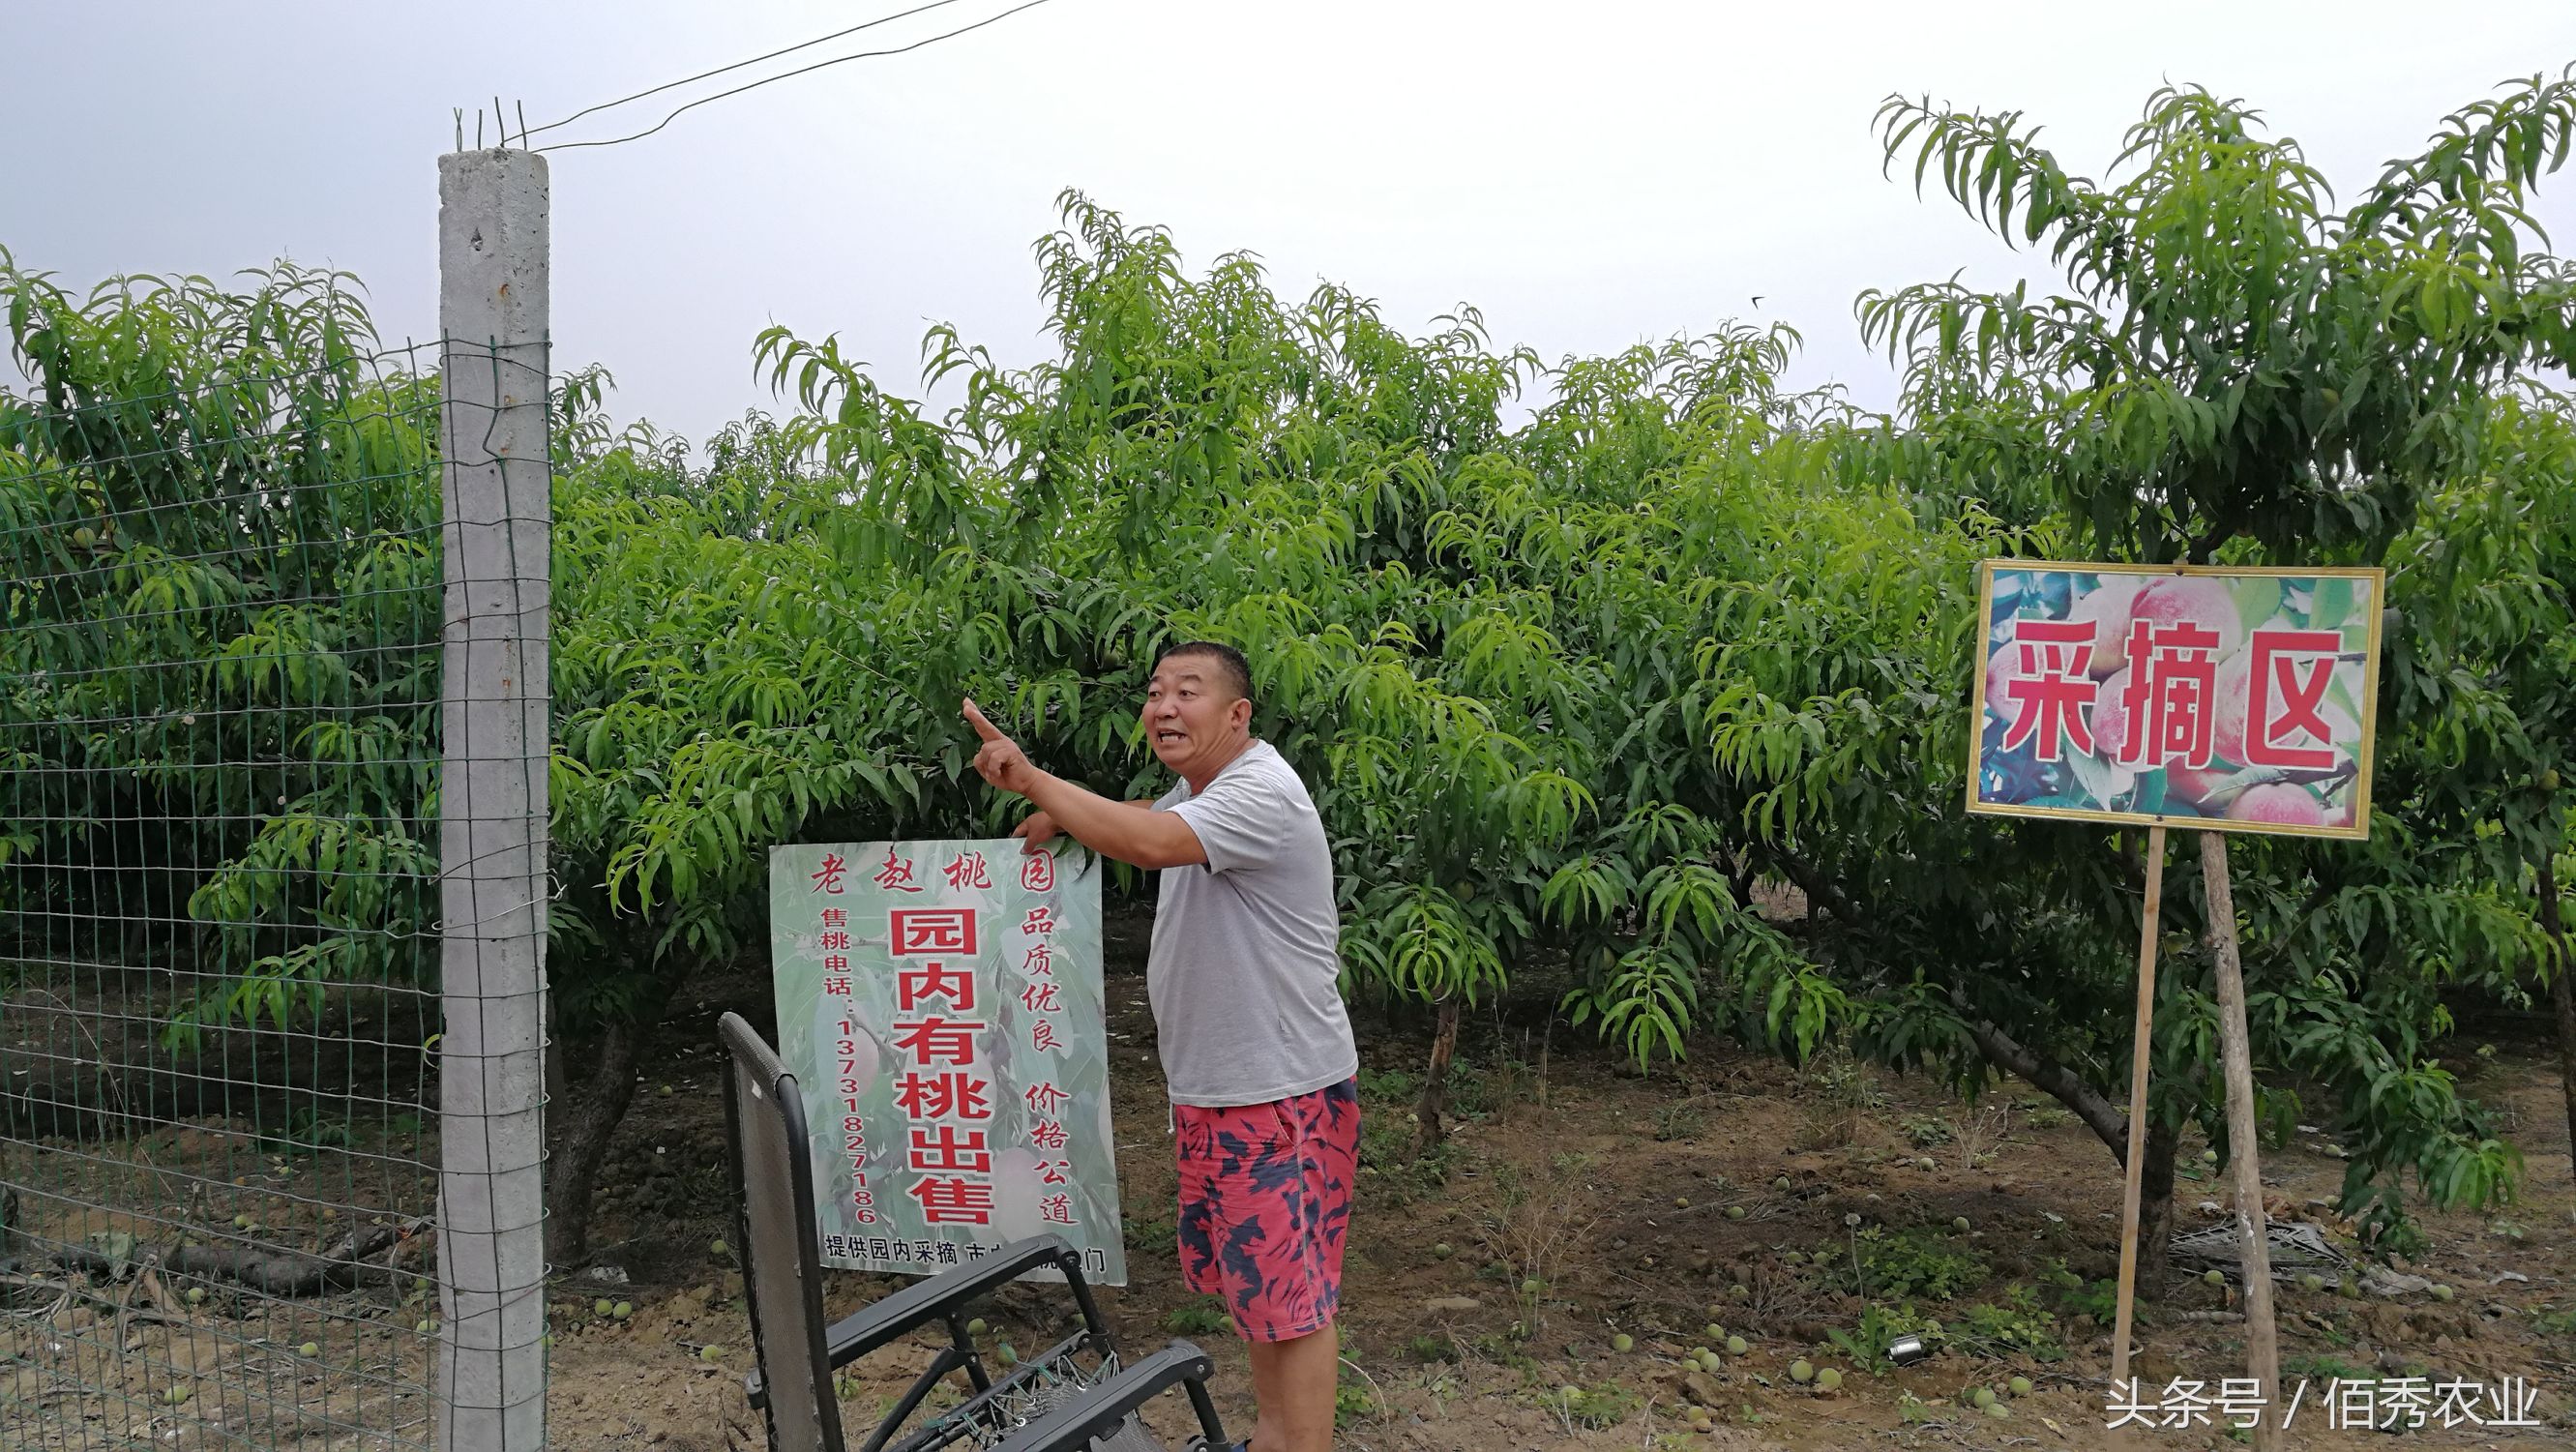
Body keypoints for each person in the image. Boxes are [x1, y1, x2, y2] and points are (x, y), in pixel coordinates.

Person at [962, 640, 1358, 1452]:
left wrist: (1038, 780)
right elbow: (1148, 821)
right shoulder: (1202, 788)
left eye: (1188, 691)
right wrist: (1065, 815)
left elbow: (1149, 843)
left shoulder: (1261, 791)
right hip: (1223, 1090)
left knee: (1295, 1303)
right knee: (1261, 1296)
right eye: (1154, 692)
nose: (1164, 706)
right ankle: (1277, 1437)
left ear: (1237, 714)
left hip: (1275, 1095)